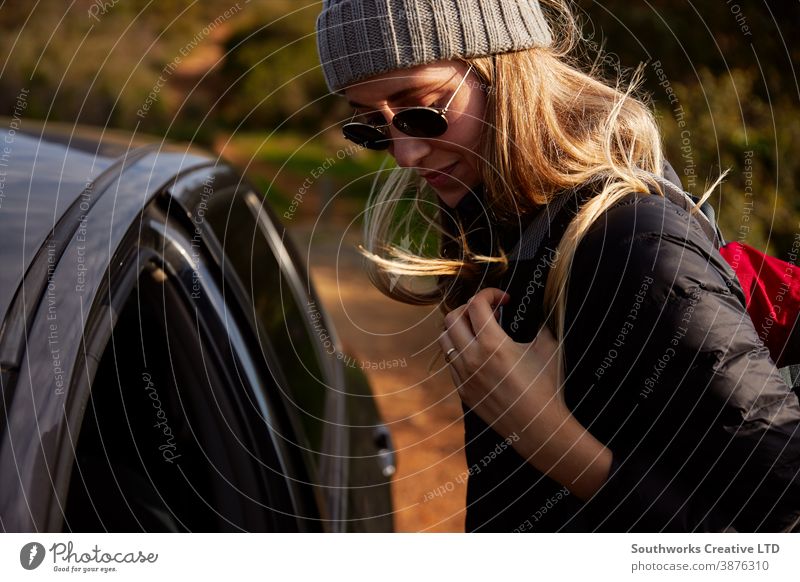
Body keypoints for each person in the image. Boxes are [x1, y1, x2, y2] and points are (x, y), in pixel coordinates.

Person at [315, 0, 800, 531]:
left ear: (506, 72)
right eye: (370, 127)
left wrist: (552, 439)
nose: (405, 153)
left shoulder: (637, 245)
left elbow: (780, 517)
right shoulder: (494, 227)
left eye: (422, 111)